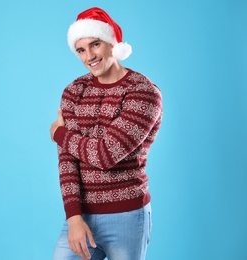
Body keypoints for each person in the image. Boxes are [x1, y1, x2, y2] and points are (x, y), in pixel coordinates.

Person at [50, 7, 163, 260]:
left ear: (111, 42)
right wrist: (74, 217)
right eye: (81, 50)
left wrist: (60, 134)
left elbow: (105, 155)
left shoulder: (143, 92)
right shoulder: (73, 91)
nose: (89, 55)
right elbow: (68, 161)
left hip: (127, 217)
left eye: (95, 44)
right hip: (81, 217)